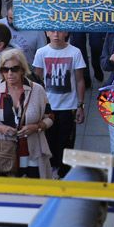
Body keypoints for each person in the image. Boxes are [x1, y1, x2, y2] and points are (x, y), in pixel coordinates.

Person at [0, 49, 56, 178]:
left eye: (14, 69)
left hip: (31, 150)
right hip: (2, 152)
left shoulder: (37, 90)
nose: (10, 73)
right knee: (5, 192)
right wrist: (1, 128)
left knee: (32, 191)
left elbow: (50, 117)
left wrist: (36, 127)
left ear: (22, 70)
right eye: (5, 69)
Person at [32, 31, 87, 177]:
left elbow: (80, 80)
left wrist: (80, 105)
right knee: (48, 142)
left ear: (67, 32)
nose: (56, 34)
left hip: (68, 107)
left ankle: (64, 174)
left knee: (66, 143)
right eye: (52, 31)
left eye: (60, 31)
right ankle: (50, 172)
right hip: (48, 107)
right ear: (46, 33)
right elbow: (37, 80)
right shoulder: (41, 52)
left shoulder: (75, 52)